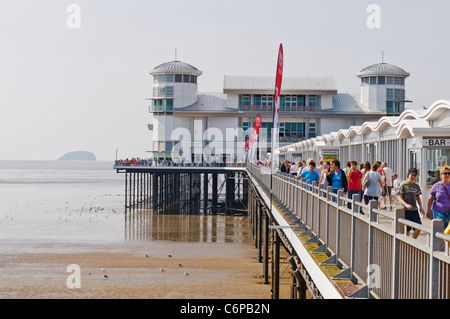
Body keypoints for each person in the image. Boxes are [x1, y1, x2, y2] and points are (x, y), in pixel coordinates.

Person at [397, 168, 425, 239]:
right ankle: (407, 243)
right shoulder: (403, 185)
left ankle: (413, 240)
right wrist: (405, 204)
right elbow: (399, 197)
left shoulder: (416, 186)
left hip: (414, 210)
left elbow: (418, 197)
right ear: (408, 175)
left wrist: (421, 208)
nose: (413, 177)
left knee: (419, 227)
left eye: (415, 175)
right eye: (412, 175)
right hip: (405, 210)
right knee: (407, 229)